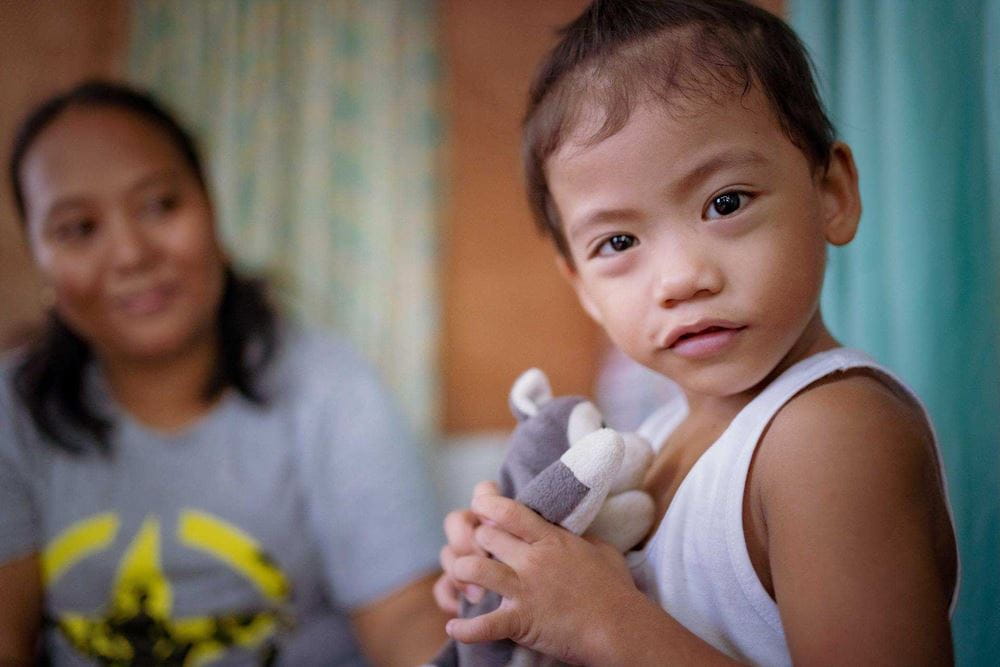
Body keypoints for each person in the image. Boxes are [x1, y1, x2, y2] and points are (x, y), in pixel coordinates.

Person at [434, 1, 959, 664]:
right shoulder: (648, 447)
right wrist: (510, 581)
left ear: (832, 192)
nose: (681, 278)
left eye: (726, 202)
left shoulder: (829, 433)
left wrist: (602, 618)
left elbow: (607, 622)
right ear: (583, 289)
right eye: (619, 241)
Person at [0, 80, 448, 666]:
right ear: (40, 262)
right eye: (79, 229)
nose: (131, 253)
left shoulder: (332, 390)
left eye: (159, 205)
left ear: (211, 211)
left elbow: (404, 615)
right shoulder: (12, 411)